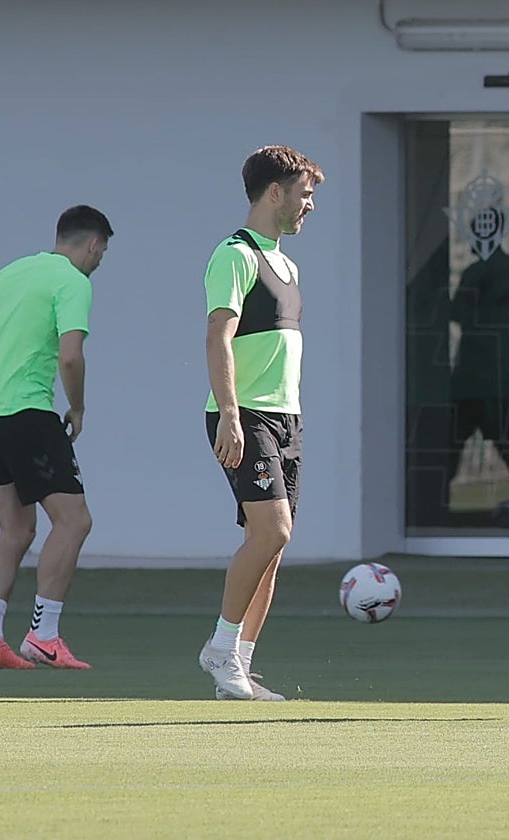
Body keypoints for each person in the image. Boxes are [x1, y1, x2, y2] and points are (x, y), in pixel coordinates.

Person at [0, 204, 112, 670]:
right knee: (74, 521)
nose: (99, 262)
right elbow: (70, 357)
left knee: (15, 530)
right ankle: (43, 635)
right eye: (102, 254)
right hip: (27, 414)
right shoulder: (74, 282)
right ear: (94, 245)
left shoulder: (11, 273)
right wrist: (77, 407)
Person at [199, 145, 324, 701]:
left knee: (271, 544)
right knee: (272, 530)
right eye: (304, 193)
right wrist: (230, 415)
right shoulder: (235, 255)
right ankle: (220, 648)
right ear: (275, 193)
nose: (309, 205)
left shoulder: (289, 264)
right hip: (244, 416)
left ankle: (240, 667)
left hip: (285, 418)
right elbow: (217, 337)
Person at [447, 233, 509, 512]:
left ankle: (435, 507)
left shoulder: (480, 273)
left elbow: (461, 313)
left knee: (456, 444)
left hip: (479, 376)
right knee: (505, 442)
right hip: (500, 373)